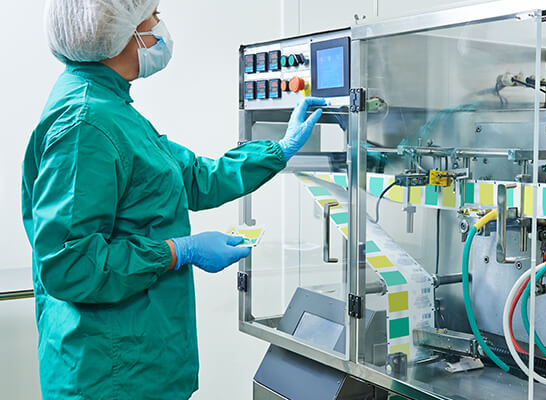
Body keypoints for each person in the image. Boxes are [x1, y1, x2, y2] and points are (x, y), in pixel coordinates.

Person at [22, 1, 325, 398]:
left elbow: (193, 178)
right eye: (152, 14)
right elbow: (70, 264)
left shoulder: (110, 108)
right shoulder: (85, 123)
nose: (160, 24)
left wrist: (278, 150)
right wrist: (179, 251)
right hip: (110, 374)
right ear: (118, 32)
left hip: (138, 359)